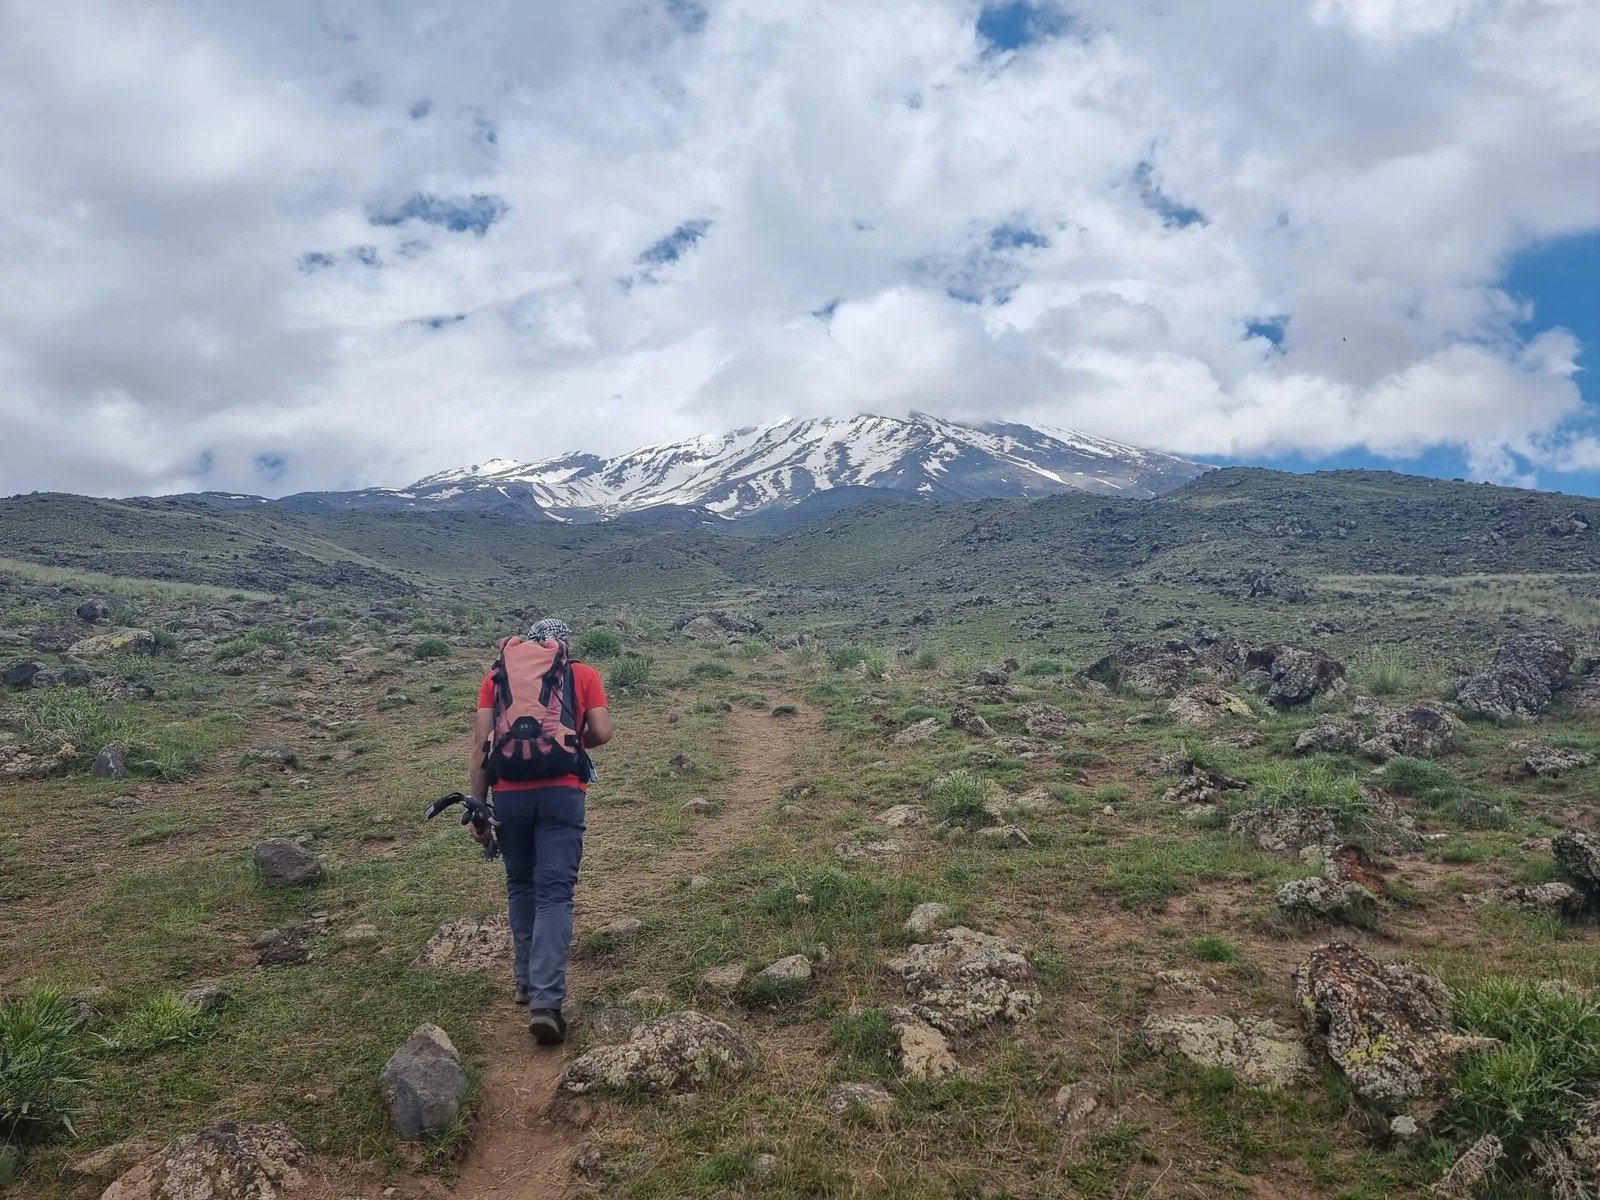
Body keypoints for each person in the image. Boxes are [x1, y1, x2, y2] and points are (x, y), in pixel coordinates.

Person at [468, 618, 613, 1045]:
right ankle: (546, 1003)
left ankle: (526, 981)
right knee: (554, 893)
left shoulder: (497, 676)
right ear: (563, 644)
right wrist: (572, 740)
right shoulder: (582, 673)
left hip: (509, 793)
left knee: (520, 884)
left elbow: (481, 746)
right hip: (562, 793)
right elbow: (602, 731)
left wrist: (480, 808)